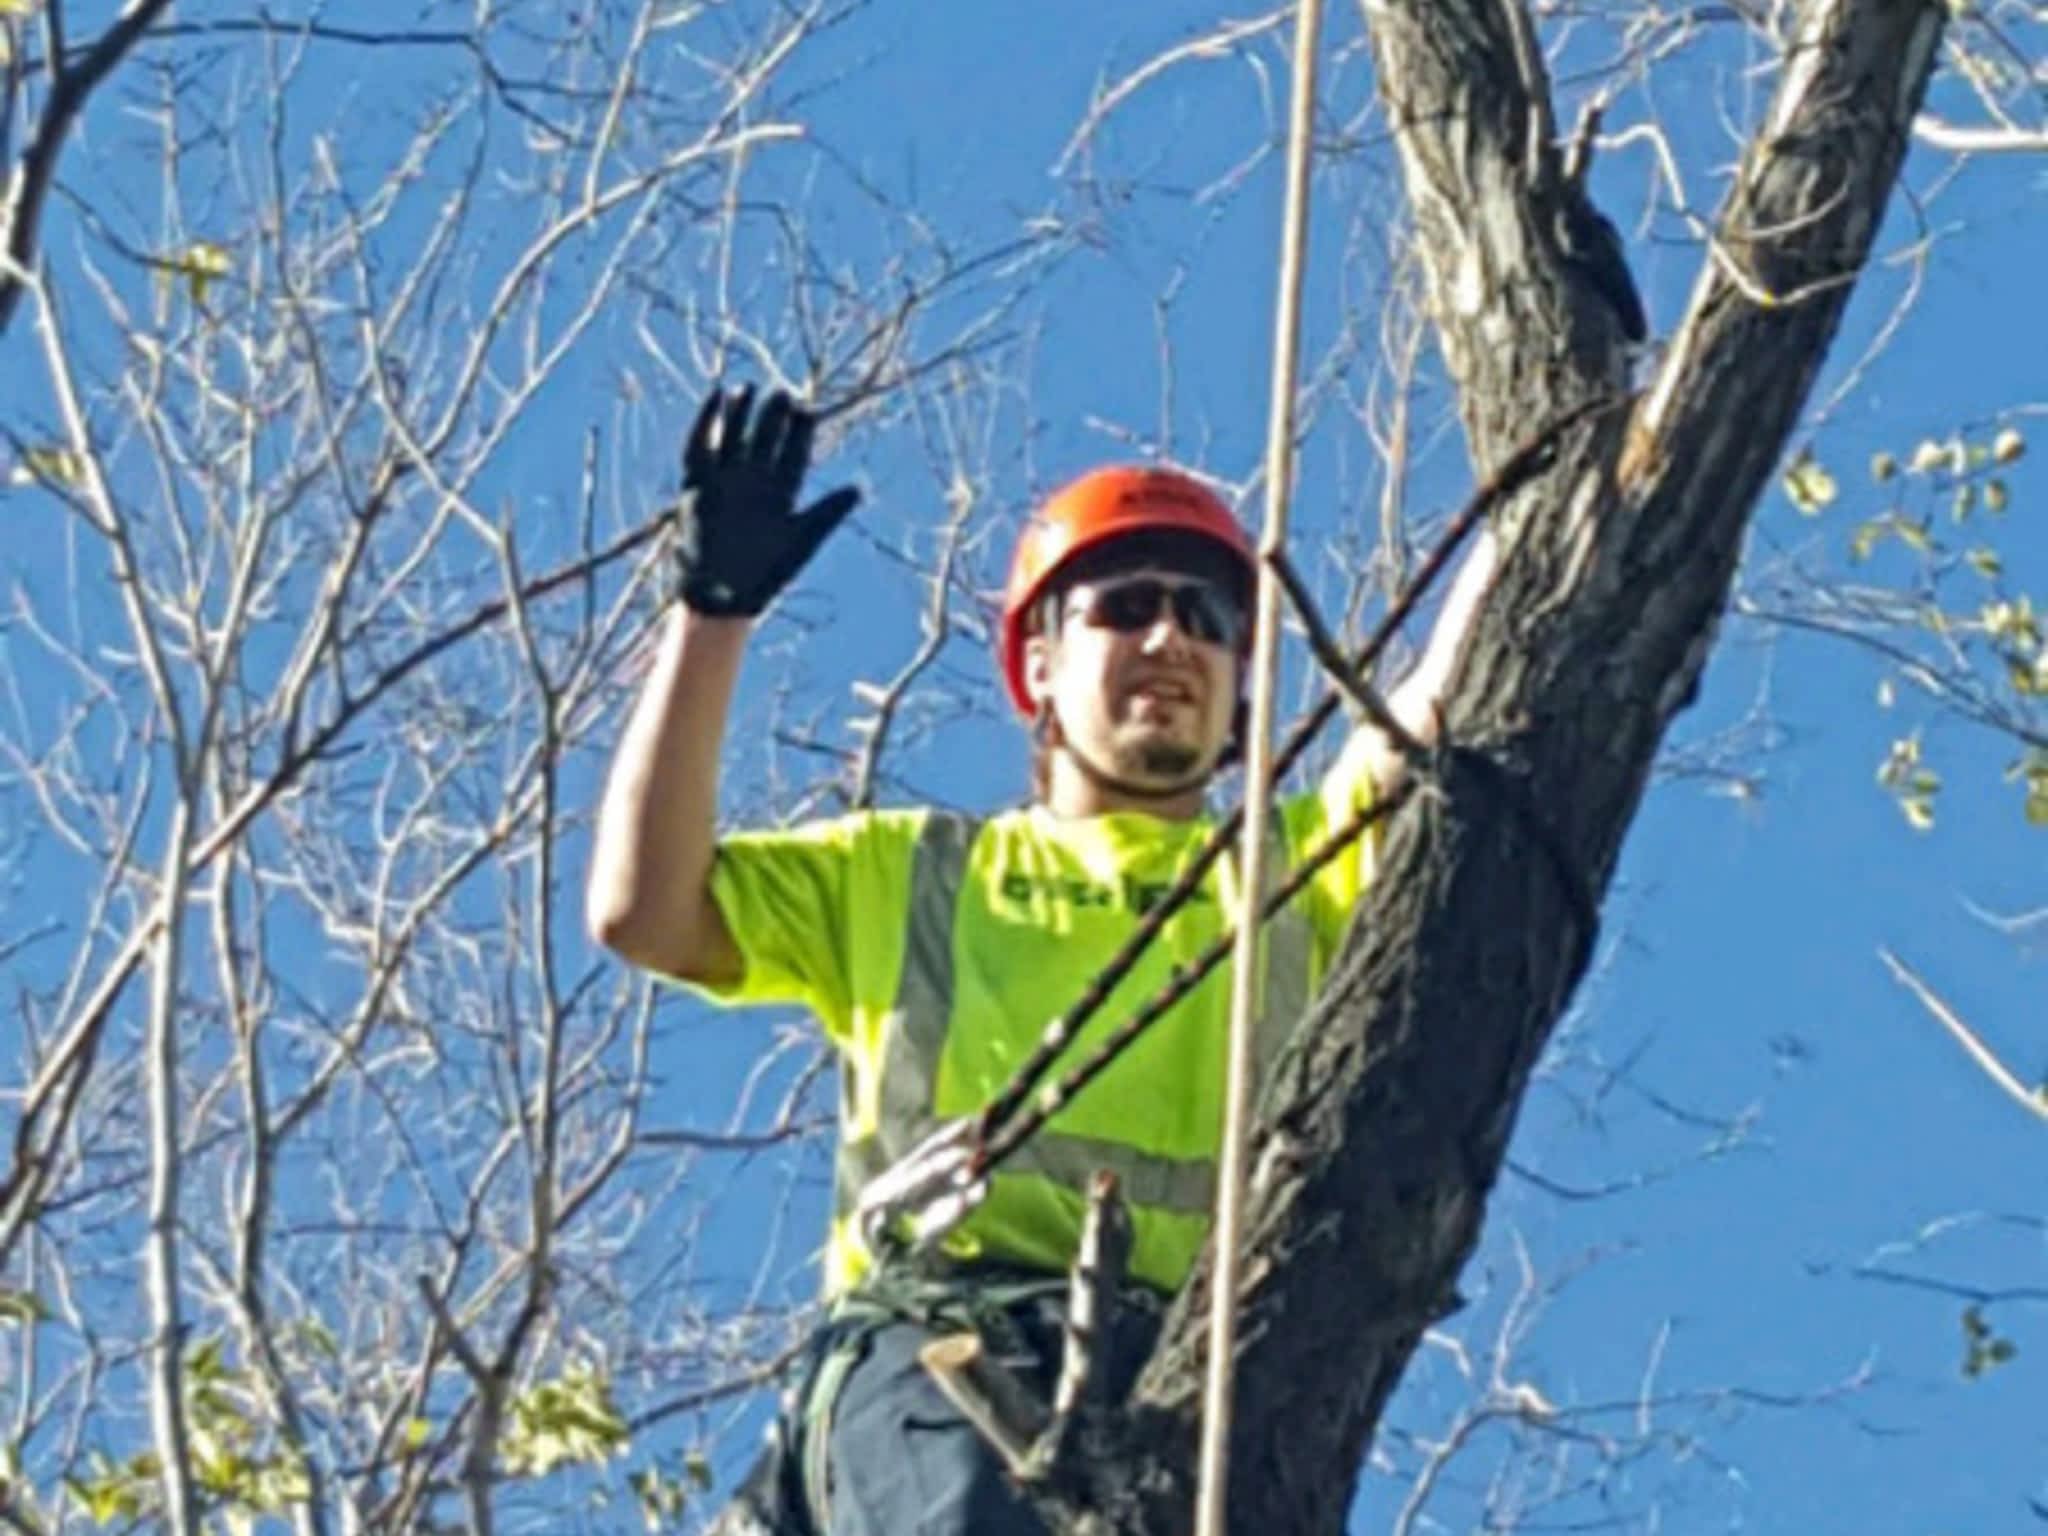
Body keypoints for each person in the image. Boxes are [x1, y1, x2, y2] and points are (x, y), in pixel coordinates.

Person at [586, 385, 1494, 1534]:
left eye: (1207, 619)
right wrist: (711, 613)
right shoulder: (914, 874)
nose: (1170, 638)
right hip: (943, 1351)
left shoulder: (1298, 876)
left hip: (1193, 1390)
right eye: (1124, 607)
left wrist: (1564, 447)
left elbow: (1452, 691)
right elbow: (644, 912)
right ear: (1039, 671)